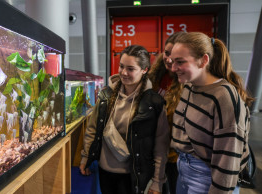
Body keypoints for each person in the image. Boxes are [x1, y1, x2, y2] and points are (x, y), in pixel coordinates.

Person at [169, 32, 253, 194]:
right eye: (173, 62)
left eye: (180, 62)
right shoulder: (189, 86)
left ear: (204, 60)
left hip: (207, 177)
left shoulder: (224, 97)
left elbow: (228, 161)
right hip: (184, 170)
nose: (173, 68)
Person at [79, 45, 170, 194]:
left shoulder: (154, 103)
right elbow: (92, 129)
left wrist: (157, 181)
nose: (124, 72)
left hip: (134, 176)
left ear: (144, 69)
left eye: (131, 68)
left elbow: (161, 146)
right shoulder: (105, 96)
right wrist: (85, 158)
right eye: (121, 66)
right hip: (105, 173)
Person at [148, 32, 185, 194]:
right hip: (152, 151)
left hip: (174, 157)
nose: (169, 59)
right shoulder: (154, 76)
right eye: (167, 53)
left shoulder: (186, 82)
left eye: (176, 56)